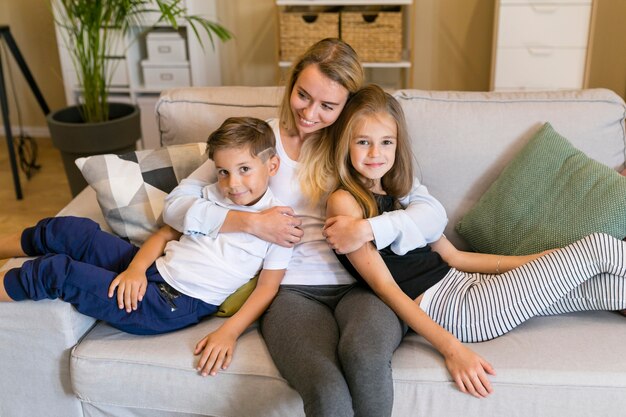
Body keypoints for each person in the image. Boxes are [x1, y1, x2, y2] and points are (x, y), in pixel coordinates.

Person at [162, 38, 448, 417]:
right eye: (303, 96)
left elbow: (431, 213)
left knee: (365, 359)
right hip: (290, 290)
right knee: (326, 388)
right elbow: (175, 205)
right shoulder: (260, 143)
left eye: (328, 106)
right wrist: (251, 222)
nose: (310, 114)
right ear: (292, 82)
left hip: (361, 286)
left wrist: (370, 229)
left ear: (347, 104)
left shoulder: (357, 145)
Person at [325, 84, 626, 396]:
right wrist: (452, 349)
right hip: (459, 310)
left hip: (468, 285)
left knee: (610, 287)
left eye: (386, 142)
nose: (376, 153)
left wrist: (544, 260)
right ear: (345, 144)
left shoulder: (402, 194)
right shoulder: (345, 203)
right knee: (598, 247)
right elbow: (386, 289)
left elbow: (456, 257)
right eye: (363, 142)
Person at [0, 117, 291, 377]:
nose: (232, 183)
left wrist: (229, 332)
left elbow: (267, 288)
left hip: (170, 303)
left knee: (59, 273)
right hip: (153, 268)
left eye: (244, 169)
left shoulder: (282, 225)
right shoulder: (210, 195)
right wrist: (136, 269)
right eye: (223, 171)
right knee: (72, 230)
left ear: (272, 165)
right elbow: (165, 234)